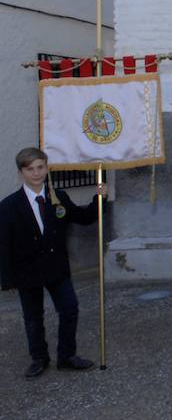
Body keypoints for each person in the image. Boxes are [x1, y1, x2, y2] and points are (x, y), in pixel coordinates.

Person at [0, 148, 105, 378]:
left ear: (47, 168)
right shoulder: (9, 206)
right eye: (30, 169)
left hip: (56, 268)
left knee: (69, 309)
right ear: (21, 173)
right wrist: (7, 278)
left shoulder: (59, 198)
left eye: (40, 167)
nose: (36, 173)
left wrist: (99, 198)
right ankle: (39, 358)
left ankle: (66, 356)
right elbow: (4, 245)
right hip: (27, 271)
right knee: (33, 316)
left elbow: (84, 218)